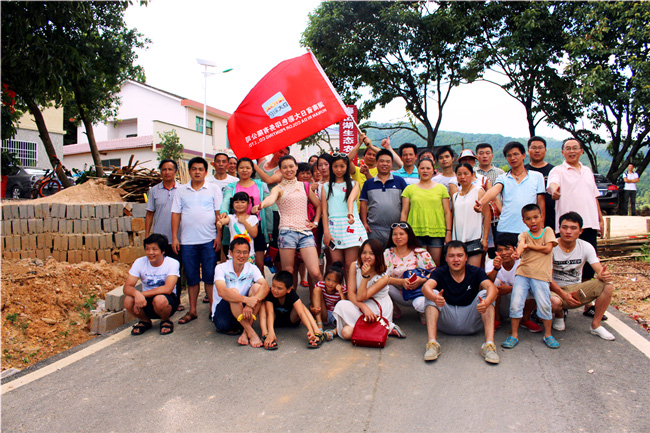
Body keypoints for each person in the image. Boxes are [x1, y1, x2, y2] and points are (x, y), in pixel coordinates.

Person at [252, 155, 323, 305]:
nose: (288, 170)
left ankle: (324, 304)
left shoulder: (304, 186)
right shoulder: (278, 188)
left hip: (305, 232)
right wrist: (262, 205)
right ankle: (290, 306)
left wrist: (315, 222)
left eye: (291, 166)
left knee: (316, 272)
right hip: (286, 232)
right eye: (284, 167)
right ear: (280, 170)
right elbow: (271, 199)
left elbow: (319, 205)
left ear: (296, 167)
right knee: (288, 272)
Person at [421, 241, 499, 364]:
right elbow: (425, 287)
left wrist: (486, 302)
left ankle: (489, 346)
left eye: (460, 255)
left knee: (485, 295)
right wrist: (435, 298)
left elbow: (492, 288)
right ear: (446, 258)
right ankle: (432, 344)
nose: (456, 259)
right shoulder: (439, 272)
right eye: (451, 256)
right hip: (447, 321)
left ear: (466, 257)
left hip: (471, 321)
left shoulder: (476, 272)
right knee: (432, 294)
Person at [171, 157, 222, 324]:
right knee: (192, 277)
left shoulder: (213, 189)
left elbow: (218, 214)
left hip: (209, 240)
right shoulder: (181, 190)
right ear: (190, 171)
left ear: (206, 172)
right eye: (194, 169)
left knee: (209, 276)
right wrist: (174, 238)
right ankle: (192, 311)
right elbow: (176, 214)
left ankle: (212, 310)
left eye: (201, 169)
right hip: (187, 241)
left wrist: (218, 237)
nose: (197, 172)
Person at [550, 212, 615, 340]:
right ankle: (559, 315)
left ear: (580, 231)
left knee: (607, 286)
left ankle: (596, 326)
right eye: (565, 227)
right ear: (559, 229)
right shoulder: (551, 248)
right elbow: (547, 279)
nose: (568, 231)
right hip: (555, 290)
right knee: (554, 302)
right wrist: (564, 295)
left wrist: (603, 274)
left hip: (576, 290)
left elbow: (598, 268)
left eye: (573, 228)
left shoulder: (586, 246)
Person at [502, 204, 558, 350]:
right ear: (523, 221)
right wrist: (518, 253)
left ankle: (548, 335)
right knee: (516, 303)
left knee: (545, 304)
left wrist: (529, 247)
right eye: (528, 219)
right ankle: (514, 335)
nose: (533, 221)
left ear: (541, 217)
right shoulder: (523, 235)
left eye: (535, 217)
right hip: (523, 273)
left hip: (540, 275)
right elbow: (521, 245)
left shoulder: (547, 231)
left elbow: (548, 248)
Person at [547, 138, 604, 282]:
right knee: (565, 265)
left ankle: (586, 301)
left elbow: (594, 196)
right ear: (562, 152)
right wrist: (554, 191)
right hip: (568, 227)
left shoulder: (587, 171)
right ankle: (564, 298)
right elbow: (553, 184)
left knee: (589, 265)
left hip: (589, 224)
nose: (571, 151)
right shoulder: (558, 171)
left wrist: (600, 219)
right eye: (568, 148)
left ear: (581, 151)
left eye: (574, 148)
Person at [333, 239, 405, 340]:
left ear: (378, 256)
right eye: (364, 252)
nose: (367, 256)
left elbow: (361, 296)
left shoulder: (383, 276)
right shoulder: (355, 265)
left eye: (371, 253)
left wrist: (365, 277)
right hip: (363, 304)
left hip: (378, 307)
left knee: (347, 332)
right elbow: (351, 294)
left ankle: (386, 326)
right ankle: (380, 330)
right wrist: (364, 308)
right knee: (341, 306)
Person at [474, 142, 546, 239]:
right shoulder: (503, 178)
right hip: (505, 229)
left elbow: (541, 204)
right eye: (509, 155)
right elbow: (494, 190)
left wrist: (541, 228)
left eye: (516, 154)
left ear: (523, 155)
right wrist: (481, 203)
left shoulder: (537, 176)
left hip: (529, 229)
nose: (512, 158)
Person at [212, 237, 269, 347]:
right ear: (230, 253)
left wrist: (249, 304)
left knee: (258, 288)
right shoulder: (220, 268)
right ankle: (251, 332)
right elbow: (222, 292)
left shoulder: (252, 268)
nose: (241, 256)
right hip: (224, 318)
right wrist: (246, 300)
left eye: (245, 252)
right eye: (238, 252)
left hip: (243, 312)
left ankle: (245, 332)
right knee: (232, 292)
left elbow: (265, 286)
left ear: (249, 254)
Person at [145, 159, 184, 310]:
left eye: (170, 169)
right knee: (158, 270)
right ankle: (158, 300)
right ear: (160, 172)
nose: (167, 172)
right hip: (159, 239)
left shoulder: (182, 189)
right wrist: (147, 235)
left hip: (178, 238)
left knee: (176, 270)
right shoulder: (154, 190)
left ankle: (177, 300)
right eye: (164, 169)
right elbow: (149, 214)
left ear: (175, 172)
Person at [220, 157, 269, 274]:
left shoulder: (261, 186)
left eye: (248, 167)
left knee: (259, 264)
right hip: (236, 224)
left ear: (252, 170)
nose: (244, 170)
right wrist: (224, 212)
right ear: (237, 169)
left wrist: (270, 228)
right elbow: (226, 200)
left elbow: (268, 207)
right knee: (237, 262)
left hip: (257, 226)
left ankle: (258, 288)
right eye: (241, 167)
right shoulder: (231, 187)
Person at [124, 234, 180, 336]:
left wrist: (141, 295)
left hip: (167, 300)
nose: (150, 253)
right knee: (128, 300)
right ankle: (145, 321)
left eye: (154, 249)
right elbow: (127, 287)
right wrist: (136, 294)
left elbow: (168, 289)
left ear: (163, 251)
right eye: (147, 249)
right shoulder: (139, 262)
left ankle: (165, 320)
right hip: (146, 301)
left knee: (159, 299)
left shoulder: (172, 263)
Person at [401, 157, 452, 267]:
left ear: (433, 170)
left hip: (437, 232)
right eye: (422, 168)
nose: (425, 171)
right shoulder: (409, 189)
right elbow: (404, 212)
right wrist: (403, 232)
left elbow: (447, 212)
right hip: (414, 232)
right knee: (417, 265)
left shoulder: (441, 189)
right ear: (418, 170)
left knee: (435, 265)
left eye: (428, 168)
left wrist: (448, 232)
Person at [485, 234, 541, 333]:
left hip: (519, 301)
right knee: (494, 283)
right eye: (500, 250)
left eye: (507, 249)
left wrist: (509, 289)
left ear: (515, 249)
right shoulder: (492, 263)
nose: (504, 253)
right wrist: (496, 269)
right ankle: (497, 319)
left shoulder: (523, 263)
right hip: (500, 303)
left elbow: (531, 283)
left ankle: (525, 319)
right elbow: (487, 282)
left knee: (535, 284)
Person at [384, 222, 435, 321]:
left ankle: (423, 311)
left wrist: (422, 280)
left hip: (419, 292)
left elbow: (435, 273)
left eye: (401, 234)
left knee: (420, 304)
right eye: (395, 234)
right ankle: (393, 309)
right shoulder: (387, 253)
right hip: (399, 292)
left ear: (409, 235)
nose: (398, 237)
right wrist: (401, 282)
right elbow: (381, 277)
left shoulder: (421, 253)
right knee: (381, 284)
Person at [259, 270, 323, 349]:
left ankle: (316, 331)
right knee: (262, 305)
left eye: (279, 288)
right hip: (274, 321)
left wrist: (309, 330)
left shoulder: (292, 294)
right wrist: (271, 332)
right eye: (273, 286)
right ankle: (265, 335)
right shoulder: (270, 294)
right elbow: (270, 313)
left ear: (289, 289)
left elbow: (301, 313)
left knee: (301, 305)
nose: (275, 290)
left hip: (291, 320)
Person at [360, 149, 407, 247]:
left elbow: (406, 204)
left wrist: (403, 224)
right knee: (375, 257)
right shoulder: (368, 183)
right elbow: (363, 204)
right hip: (374, 228)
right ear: (376, 163)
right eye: (381, 161)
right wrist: (364, 223)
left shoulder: (399, 181)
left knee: (394, 258)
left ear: (391, 163)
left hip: (395, 228)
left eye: (388, 161)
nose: (384, 164)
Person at [450, 162, 490, 267]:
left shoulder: (478, 191)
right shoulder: (455, 196)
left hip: (474, 239)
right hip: (458, 241)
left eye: (466, 173)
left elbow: (487, 215)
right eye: (459, 174)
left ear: (472, 175)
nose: (462, 177)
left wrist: (485, 238)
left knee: (473, 272)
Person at [475, 143, 504, 258]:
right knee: (481, 251)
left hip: (497, 218)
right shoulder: (472, 173)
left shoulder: (500, 173)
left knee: (497, 251)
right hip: (479, 218)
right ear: (477, 156)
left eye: (487, 153)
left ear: (492, 155)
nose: (484, 156)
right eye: (481, 153)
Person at [217, 192, 259, 263]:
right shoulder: (231, 217)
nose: (239, 204)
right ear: (233, 204)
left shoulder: (253, 218)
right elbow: (225, 220)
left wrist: (244, 222)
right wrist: (220, 222)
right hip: (234, 254)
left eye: (243, 202)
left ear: (248, 204)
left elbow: (254, 234)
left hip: (248, 254)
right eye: (236, 202)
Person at [525, 136, 555, 232]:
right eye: (533, 148)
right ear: (528, 151)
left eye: (540, 148)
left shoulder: (554, 171)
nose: (537, 151)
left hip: (552, 216)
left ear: (545, 150)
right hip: (529, 218)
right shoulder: (523, 171)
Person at [313, 262, 347, 340]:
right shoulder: (320, 285)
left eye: (334, 281)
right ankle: (319, 325)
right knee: (317, 290)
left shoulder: (342, 289)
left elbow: (345, 306)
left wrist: (341, 292)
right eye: (328, 279)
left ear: (339, 283)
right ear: (324, 278)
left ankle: (333, 332)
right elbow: (313, 304)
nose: (330, 284)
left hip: (336, 316)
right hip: (325, 314)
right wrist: (313, 309)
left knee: (346, 319)